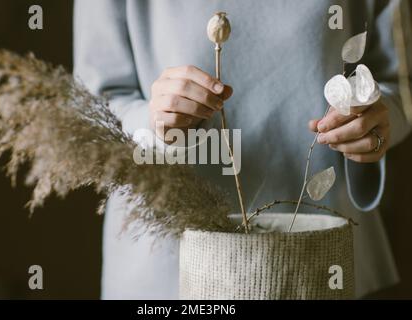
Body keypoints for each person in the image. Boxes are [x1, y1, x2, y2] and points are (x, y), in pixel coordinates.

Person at [74, 0, 411, 299]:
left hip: (321, 252)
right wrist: (154, 124)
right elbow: (91, 108)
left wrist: (377, 121)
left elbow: (400, 85)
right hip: (169, 263)